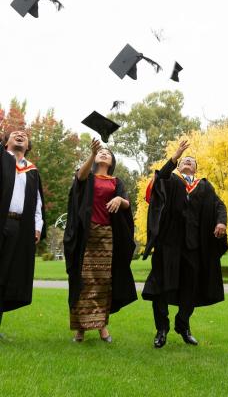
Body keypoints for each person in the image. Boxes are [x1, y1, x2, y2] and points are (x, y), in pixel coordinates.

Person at [142, 140, 227, 348]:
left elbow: (219, 205)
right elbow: (159, 176)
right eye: (185, 160)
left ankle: (183, 324)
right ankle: (161, 329)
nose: (188, 161)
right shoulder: (170, 180)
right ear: (179, 165)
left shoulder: (205, 186)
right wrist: (175, 155)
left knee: (190, 289)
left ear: (196, 168)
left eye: (192, 161)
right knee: (160, 287)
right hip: (168, 244)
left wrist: (221, 221)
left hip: (193, 246)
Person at [64, 139, 137, 343]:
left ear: (112, 160)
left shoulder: (116, 182)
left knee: (104, 283)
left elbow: (126, 203)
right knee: (83, 282)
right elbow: (79, 177)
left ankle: (102, 327)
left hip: (107, 236)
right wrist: (91, 153)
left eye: (108, 152)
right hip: (86, 236)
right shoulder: (88, 177)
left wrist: (119, 200)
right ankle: (80, 329)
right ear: (95, 157)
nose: (104, 153)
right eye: (101, 152)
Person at [0, 129, 45, 337]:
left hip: (19, 227)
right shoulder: (1, 158)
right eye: (15, 133)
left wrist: (37, 227)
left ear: (28, 146)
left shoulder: (32, 171)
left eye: (24, 135)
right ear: (6, 141)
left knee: (6, 276)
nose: (20, 135)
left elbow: (37, 204)